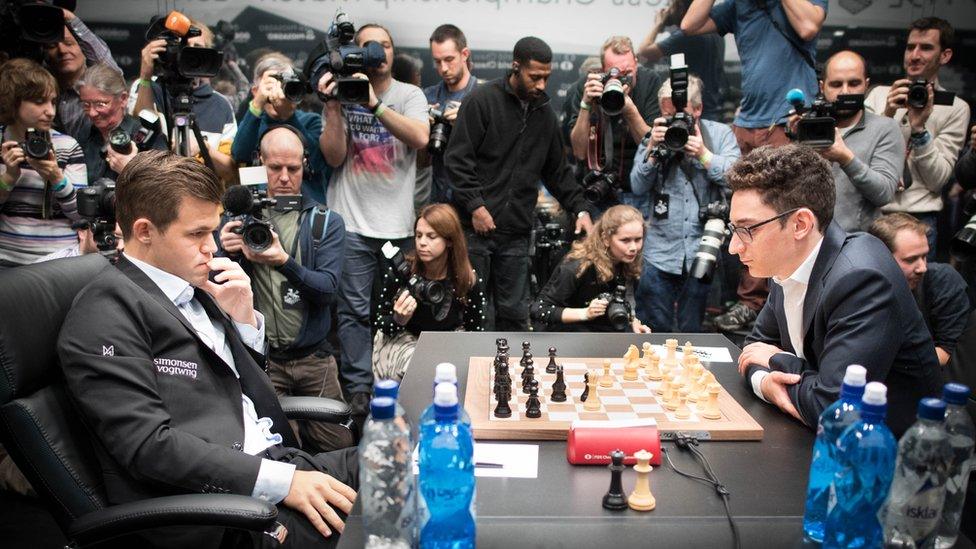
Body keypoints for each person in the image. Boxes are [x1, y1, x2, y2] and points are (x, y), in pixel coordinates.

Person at [57, 150, 358, 549]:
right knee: (393, 528)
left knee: (407, 465)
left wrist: (244, 321)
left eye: (211, 232)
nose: (211, 248)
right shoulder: (103, 314)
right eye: (196, 234)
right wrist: (282, 483)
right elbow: (150, 446)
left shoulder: (193, 284)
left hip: (275, 464)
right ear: (145, 231)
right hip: (221, 512)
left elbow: (234, 389)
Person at [730, 144, 942, 437]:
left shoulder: (861, 278)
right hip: (815, 439)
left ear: (800, 224)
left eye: (748, 229)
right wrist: (765, 383)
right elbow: (752, 350)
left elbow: (832, 407)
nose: (734, 246)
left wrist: (775, 360)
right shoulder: (787, 260)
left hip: (889, 457)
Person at [682, 0, 828, 333]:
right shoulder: (738, 5)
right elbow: (690, 24)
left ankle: (761, 305)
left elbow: (807, 26)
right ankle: (748, 301)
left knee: (779, 215)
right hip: (746, 120)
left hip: (785, 120)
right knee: (744, 218)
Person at [445, 36, 594, 331]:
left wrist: (580, 209)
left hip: (516, 231)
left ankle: (511, 375)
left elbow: (558, 172)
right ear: (516, 67)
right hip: (474, 229)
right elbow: (457, 160)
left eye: (546, 77)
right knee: (472, 311)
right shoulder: (481, 101)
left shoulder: (545, 114)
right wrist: (476, 206)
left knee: (514, 314)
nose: (541, 85)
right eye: (535, 76)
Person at [317, 23, 429, 415]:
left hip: (397, 226)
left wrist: (374, 105)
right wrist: (333, 107)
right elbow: (332, 156)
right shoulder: (343, 94)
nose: (377, 52)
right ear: (355, 52)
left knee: (400, 307)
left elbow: (420, 138)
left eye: (384, 45)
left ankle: (397, 384)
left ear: (393, 53)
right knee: (351, 312)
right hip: (350, 222)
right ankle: (359, 394)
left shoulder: (408, 95)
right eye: (368, 46)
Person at [219, 126, 352, 453]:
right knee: (278, 453)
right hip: (264, 363)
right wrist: (226, 252)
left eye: (293, 168)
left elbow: (327, 291)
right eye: (274, 167)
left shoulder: (324, 222)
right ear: (259, 162)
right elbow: (217, 292)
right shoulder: (239, 221)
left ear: (305, 165)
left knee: (339, 449)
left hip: (315, 360)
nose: (283, 177)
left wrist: (283, 261)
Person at [630, 75, 740, 332]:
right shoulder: (655, 136)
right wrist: (652, 152)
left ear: (698, 109)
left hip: (702, 249)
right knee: (653, 332)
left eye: (681, 115)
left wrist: (704, 154)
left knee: (694, 333)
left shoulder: (719, 135)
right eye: (667, 115)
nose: (674, 122)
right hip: (659, 252)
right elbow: (636, 185)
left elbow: (736, 179)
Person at [865, 17, 971, 258]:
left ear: (944, 56)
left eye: (925, 48)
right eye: (910, 46)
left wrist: (919, 128)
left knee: (914, 296)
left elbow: (938, 180)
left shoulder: (955, 108)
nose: (914, 55)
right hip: (873, 213)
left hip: (919, 218)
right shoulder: (879, 96)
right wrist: (887, 116)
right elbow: (859, 158)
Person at [373, 203, 486, 380]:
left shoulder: (466, 278)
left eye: (431, 236)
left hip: (450, 342)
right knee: (415, 364)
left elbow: (475, 332)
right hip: (406, 341)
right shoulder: (402, 272)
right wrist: (398, 320)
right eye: (418, 236)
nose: (422, 243)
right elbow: (380, 323)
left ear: (449, 240)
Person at [793, 50, 903, 232]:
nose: (845, 92)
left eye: (854, 83)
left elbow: (883, 193)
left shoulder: (885, 128)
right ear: (822, 87)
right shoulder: (805, 127)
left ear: (866, 85)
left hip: (855, 244)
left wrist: (846, 158)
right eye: (836, 84)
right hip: (806, 239)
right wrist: (794, 139)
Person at [0, 58, 87, 267]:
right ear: (13, 101)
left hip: (59, 261)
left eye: (53, 102)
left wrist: (57, 178)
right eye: (40, 102)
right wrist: (8, 178)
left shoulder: (67, 146)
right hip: (6, 261)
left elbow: (82, 215)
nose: (51, 111)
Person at [131, 17, 238, 182]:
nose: (190, 54)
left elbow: (231, 173)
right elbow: (140, 120)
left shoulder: (221, 105)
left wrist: (204, 148)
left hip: (205, 195)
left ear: (207, 55)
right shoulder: (148, 87)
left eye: (197, 49)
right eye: (184, 48)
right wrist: (145, 74)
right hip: (159, 190)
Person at [566, 35, 661, 210]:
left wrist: (630, 110)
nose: (622, 79)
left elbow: (652, 148)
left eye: (628, 73)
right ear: (603, 70)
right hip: (598, 190)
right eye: (616, 73)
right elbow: (579, 152)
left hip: (639, 191)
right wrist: (586, 104)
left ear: (636, 63)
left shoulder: (650, 82)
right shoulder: (588, 86)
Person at [869, 213, 972, 366]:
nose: (922, 268)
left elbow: (948, 353)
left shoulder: (943, 282)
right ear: (879, 258)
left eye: (924, 256)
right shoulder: (864, 287)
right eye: (910, 260)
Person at [531, 204, 650, 333]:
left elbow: (626, 301)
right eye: (625, 240)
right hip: (570, 335)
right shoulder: (577, 266)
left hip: (606, 334)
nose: (633, 247)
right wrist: (585, 313)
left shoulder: (629, 261)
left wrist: (633, 322)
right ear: (606, 239)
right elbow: (539, 309)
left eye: (638, 239)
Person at [231, 54, 330, 205]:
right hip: (261, 209)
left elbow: (315, 163)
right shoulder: (253, 123)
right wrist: (257, 104)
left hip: (304, 212)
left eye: (284, 87)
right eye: (271, 87)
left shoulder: (310, 121)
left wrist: (288, 116)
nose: (278, 94)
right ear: (255, 91)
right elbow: (240, 154)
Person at [75, 63, 167, 183]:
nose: (92, 113)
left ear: (123, 99)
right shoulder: (84, 136)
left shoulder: (148, 137)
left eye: (100, 104)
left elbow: (166, 190)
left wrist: (129, 169)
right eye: (86, 105)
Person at [419, 24, 480, 206]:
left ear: (465, 54)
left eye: (449, 59)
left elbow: (496, 156)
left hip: (475, 200)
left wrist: (468, 122)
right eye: (437, 61)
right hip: (439, 198)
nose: (443, 68)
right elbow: (422, 163)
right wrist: (424, 132)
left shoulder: (484, 97)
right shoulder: (427, 97)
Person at [638, 0, 725, 121]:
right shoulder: (713, 31)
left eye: (670, 5)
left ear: (680, 6)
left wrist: (658, 25)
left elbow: (644, 51)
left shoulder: (685, 36)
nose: (667, 10)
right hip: (710, 109)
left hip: (691, 112)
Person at [44, 7, 121, 140]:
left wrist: (70, 18)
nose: (62, 50)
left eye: (69, 43)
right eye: (52, 46)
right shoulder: (43, 90)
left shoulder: (101, 84)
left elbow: (108, 68)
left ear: (83, 48)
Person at [35, 221, 124, 262]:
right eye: (100, 230)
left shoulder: (121, 259)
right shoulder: (51, 264)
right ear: (82, 233)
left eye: (113, 231)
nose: (109, 238)